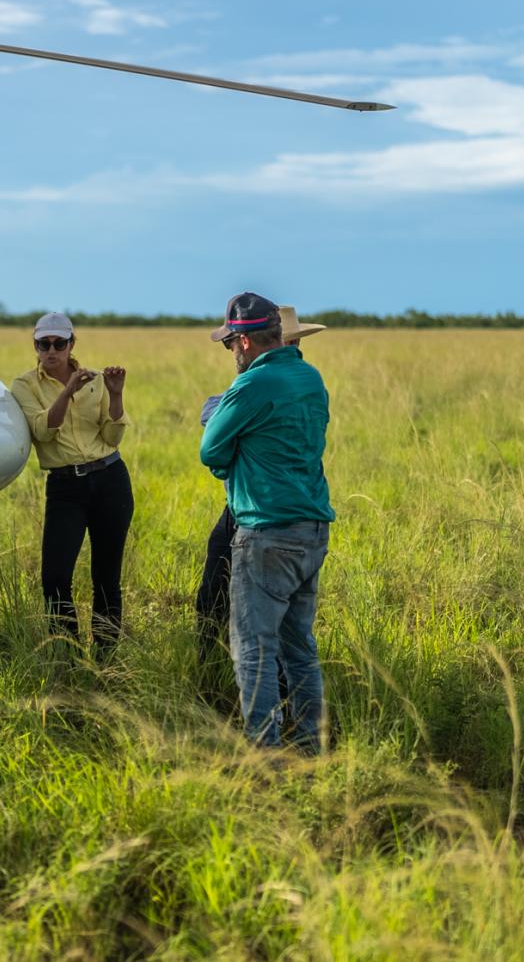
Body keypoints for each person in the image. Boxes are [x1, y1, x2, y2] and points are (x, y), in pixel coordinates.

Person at [199, 294, 335, 752]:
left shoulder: (251, 385)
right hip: (312, 528)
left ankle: (264, 757)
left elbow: (211, 451)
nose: (231, 353)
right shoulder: (310, 377)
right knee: (300, 649)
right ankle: (312, 749)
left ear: (242, 341)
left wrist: (235, 457)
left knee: (253, 649)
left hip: (265, 530)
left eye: (229, 344)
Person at [193, 307, 326, 648]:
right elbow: (216, 412)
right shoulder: (295, 379)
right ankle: (218, 677)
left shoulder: (269, 380)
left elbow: (214, 438)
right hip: (271, 507)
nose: (291, 347)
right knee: (216, 597)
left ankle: (243, 690)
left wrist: (230, 458)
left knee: (257, 628)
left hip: (262, 510)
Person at [8, 311, 132, 653]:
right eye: (43, 344)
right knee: (55, 578)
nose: (51, 351)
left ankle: (106, 656)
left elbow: (112, 436)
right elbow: (43, 432)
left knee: (106, 577)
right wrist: (67, 393)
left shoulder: (96, 382)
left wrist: (117, 394)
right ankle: (68, 654)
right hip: (66, 487)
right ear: (34, 345)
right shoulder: (24, 385)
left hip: (110, 479)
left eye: (58, 343)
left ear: (71, 344)